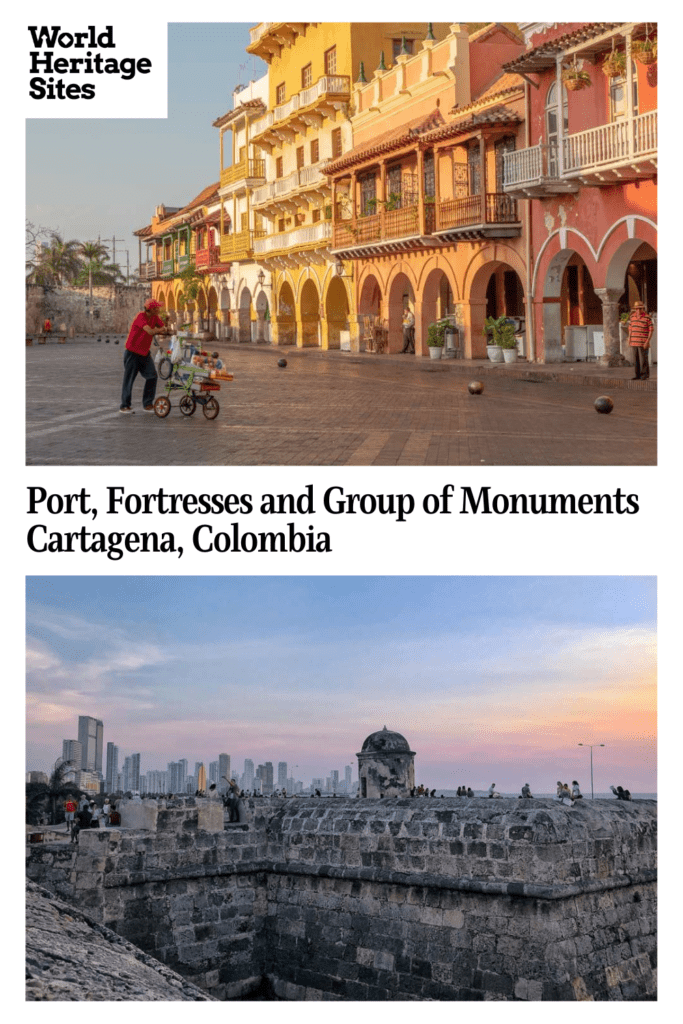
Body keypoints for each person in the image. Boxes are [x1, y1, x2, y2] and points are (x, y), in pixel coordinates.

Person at [120, 298, 168, 413]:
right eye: (156, 308)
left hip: (144, 353)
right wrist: (159, 329)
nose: (158, 309)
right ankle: (124, 405)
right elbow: (150, 331)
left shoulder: (155, 318)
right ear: (150, 309)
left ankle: (148, 404)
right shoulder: (140, 317)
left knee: (152, 376)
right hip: (132, 353)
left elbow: (164, 329)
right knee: (129, 379)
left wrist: (159, 329)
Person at [626, 300, 653, 380]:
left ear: (643, 309)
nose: (638, 310)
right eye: (637, 309)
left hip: (643, 342)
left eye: (640, 309)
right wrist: (629, 339)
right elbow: (630, 328)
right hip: (634, 342)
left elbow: (651, 330)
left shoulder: (647, 317)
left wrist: (647, 341)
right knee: (636, 360)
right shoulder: (632, 317)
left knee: (643, 360)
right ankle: (637, 375)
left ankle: (644, 375)